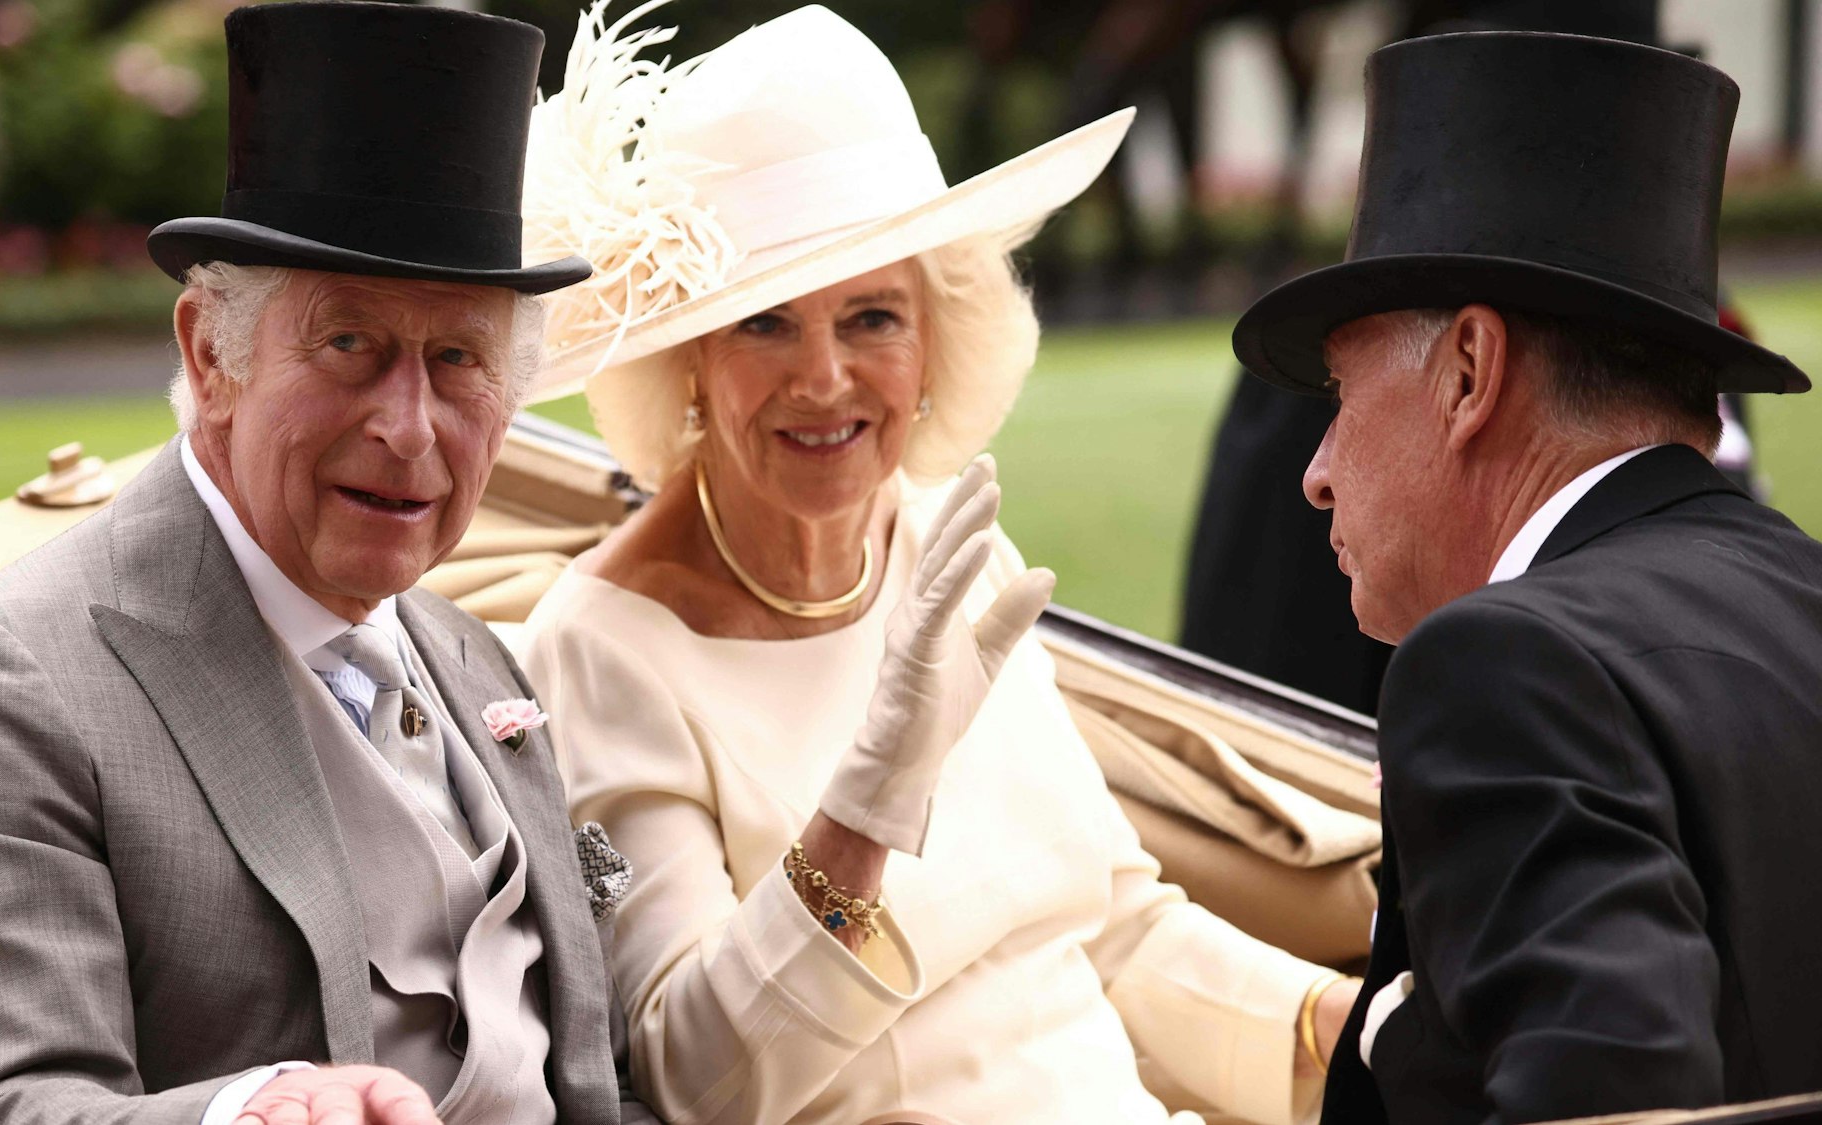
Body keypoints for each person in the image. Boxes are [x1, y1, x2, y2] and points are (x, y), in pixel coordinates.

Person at [515, 6, 1360, 1123]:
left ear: (934, 346)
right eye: (764, 324)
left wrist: (1348, 1027)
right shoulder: (600, 650)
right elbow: (688, 1077)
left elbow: (1107, 926)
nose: (823, 380)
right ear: (685, 362)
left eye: (871, 317)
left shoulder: (941, 542)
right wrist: (861, 808)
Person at [0, 5, 654, 1123]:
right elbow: (8, 1107)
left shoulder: (476, 664)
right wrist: (249, 1113)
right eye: (349, 344)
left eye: (457, 358)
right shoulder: (3, 687)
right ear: (207, 354)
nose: (410, 428)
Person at [1229, 30, 1822, 1124]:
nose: (1314, 475)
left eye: (1336, 391)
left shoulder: (1502, 664)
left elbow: (1608, 1094)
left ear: (1466, 371)